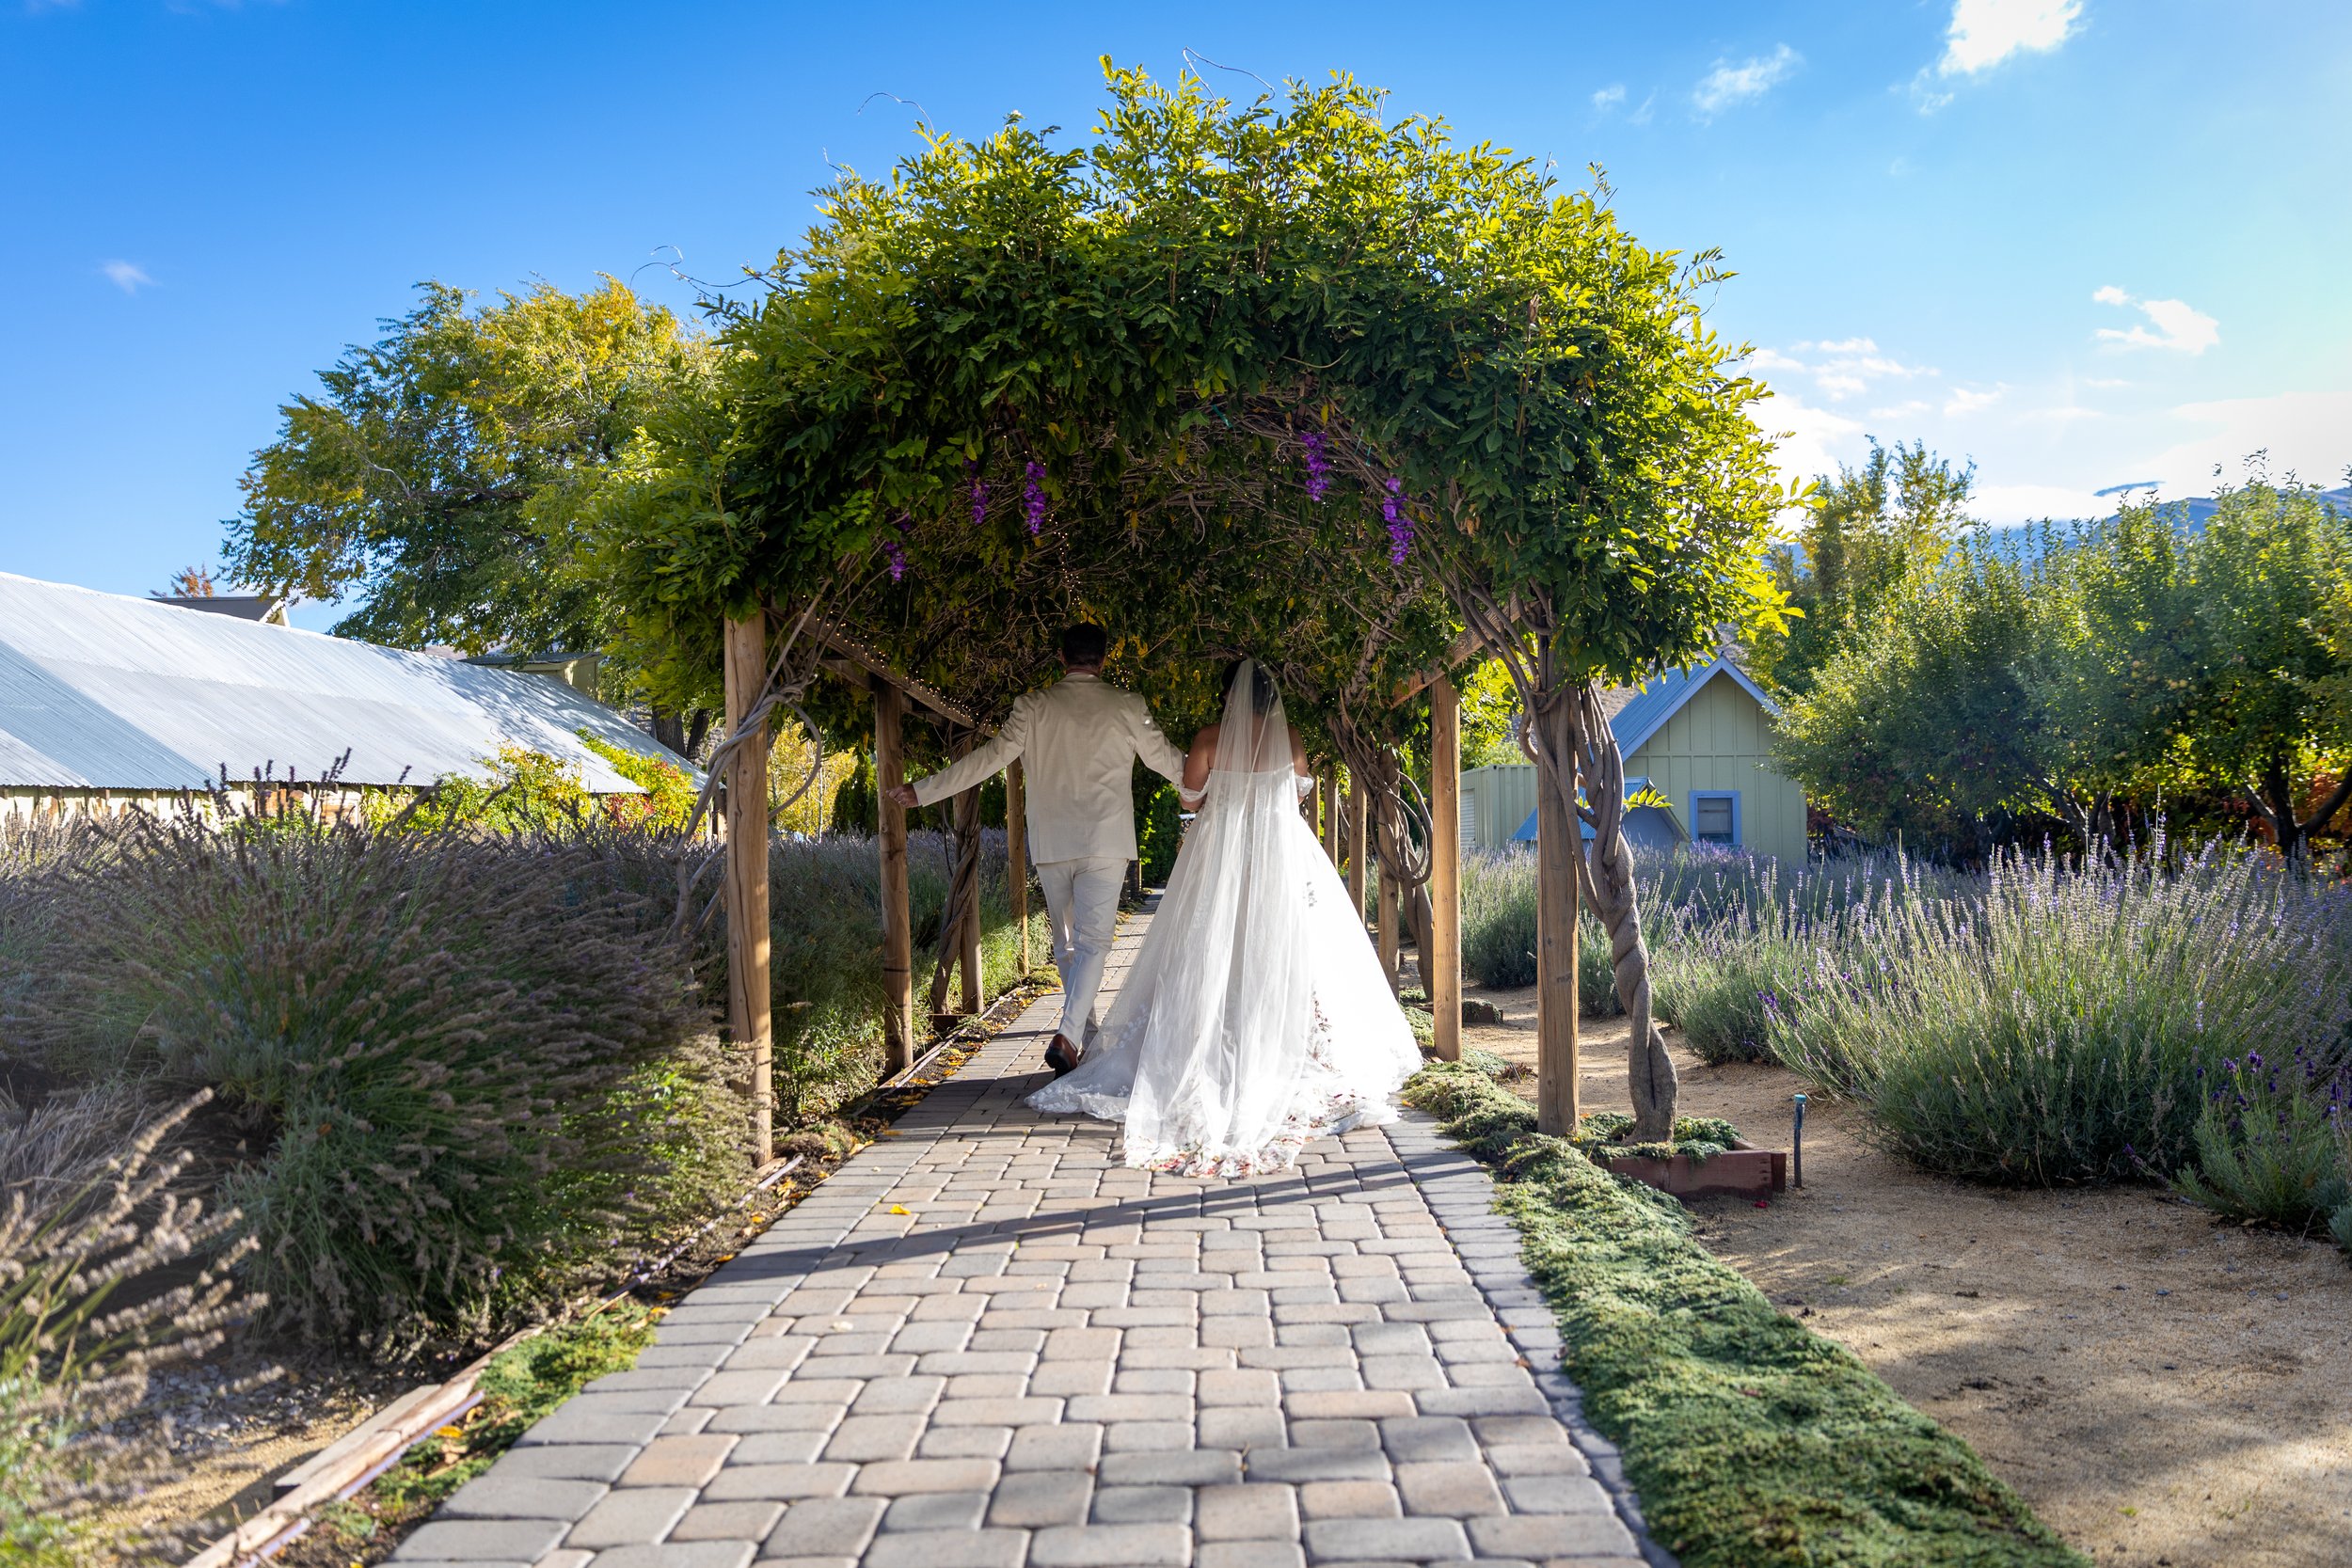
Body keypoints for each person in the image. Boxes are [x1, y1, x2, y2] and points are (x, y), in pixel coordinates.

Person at [1027, 658, 1420, 1176]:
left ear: (1227, 696)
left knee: (1212, 945)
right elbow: (1297, 789)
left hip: (1220, 854)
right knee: (1279, 947)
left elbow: (1190, 796)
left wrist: (1220, 794)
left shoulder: (1208, 738)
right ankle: (1272, 1042)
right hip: (1280, 855)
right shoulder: (1292, 738)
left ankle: (1212, 1045)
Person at [886, 624, 1186, 1076]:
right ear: (1104, 659)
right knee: (1091, 943)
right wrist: (1213, 782)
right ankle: (1076, 1034)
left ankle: (1073, 1037)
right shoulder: (1128, 705)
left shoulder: (1034, 706)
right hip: (1106, 841)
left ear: (1062, 658)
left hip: (1052, 841)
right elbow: (1167, 760)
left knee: (1068, 946)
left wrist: (925, 789)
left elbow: (989, 758)